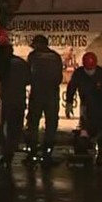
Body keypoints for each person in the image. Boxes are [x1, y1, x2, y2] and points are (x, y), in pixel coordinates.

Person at [65, 52, 102, 165]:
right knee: (85, 129)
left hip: (101, 106)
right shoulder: (79, 73)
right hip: (86, 106)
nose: (89, 72)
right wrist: (69, 103)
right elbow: (71, 88)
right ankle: (84, 151)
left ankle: (100, 153)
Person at [24, 34, 64, 166]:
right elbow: (59, 78)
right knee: (51, 124)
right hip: (52, 94)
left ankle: (32, 152)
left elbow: (27, 76)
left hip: (37, 94)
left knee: (33, 122)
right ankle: (47, 153)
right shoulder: (56, 57)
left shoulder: (33, 56)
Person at [0, 32, 30, 166]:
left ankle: (4, 151)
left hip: (2, 102)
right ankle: (9, 152)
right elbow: (28, 80)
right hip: (18, 101)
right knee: (14, 129)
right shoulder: (21, 63)